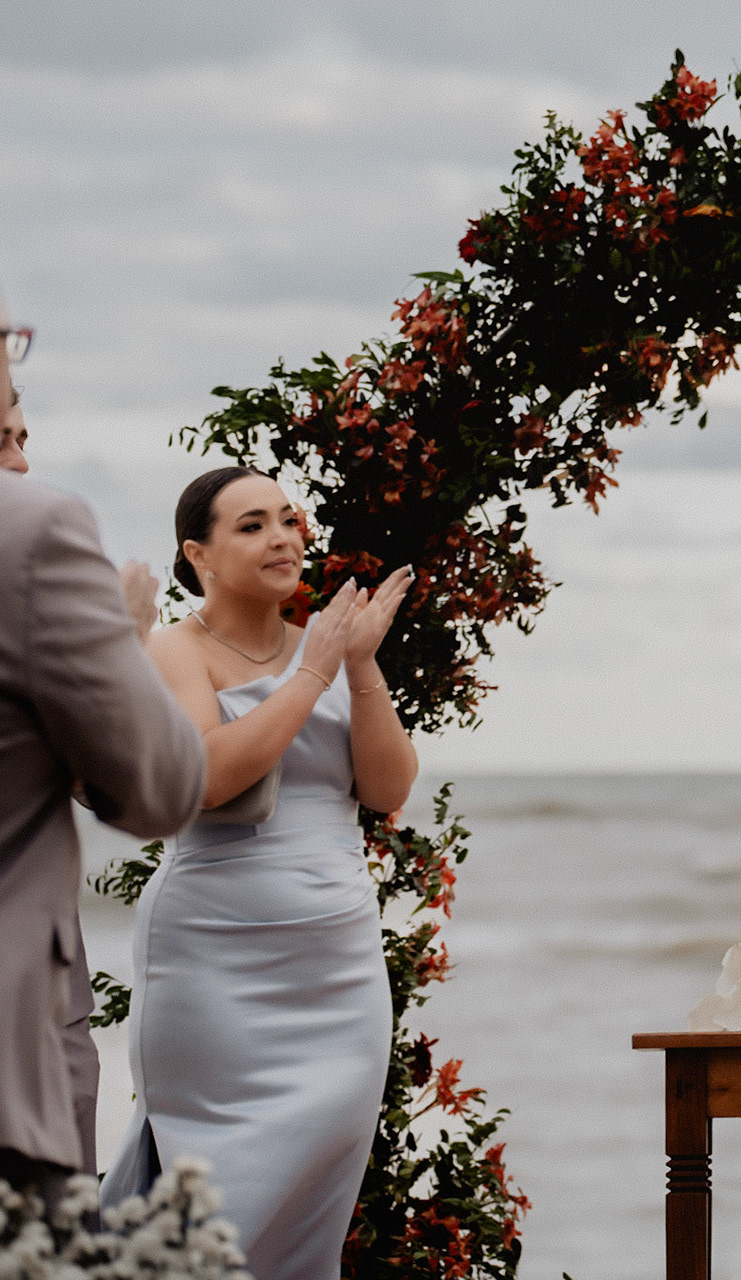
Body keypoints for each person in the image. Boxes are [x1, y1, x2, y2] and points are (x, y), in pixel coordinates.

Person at [100, 466, 417, 1280]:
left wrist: (359, 665)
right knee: (216, 1211)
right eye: (251, 525)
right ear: (197, 554)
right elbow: (205, 776)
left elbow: (387, 789)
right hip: (214, 963)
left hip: (338, 977)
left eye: (287, 519)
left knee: (309, 1216)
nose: (281, 537)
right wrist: (312, 673)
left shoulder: (329, 647)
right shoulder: (175, 648)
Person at [0, 313, 206, 1206]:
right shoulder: (33, 533)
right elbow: (159, 789)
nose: (19, 461)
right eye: (5, 428)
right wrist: (124, 635)